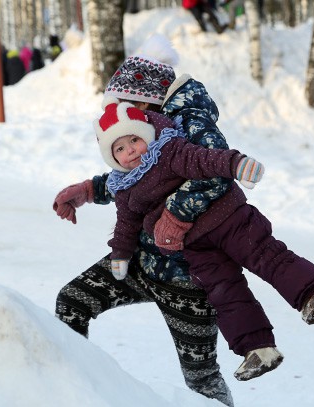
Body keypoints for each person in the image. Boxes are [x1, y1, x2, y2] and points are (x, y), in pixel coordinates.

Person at [93, 98, 314, 380]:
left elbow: (204, 160)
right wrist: (120, 253)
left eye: (134, 139)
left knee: (266, 257)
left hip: (227, 216)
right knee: (223, 292)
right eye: (120, 149)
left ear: (146, 134)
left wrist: (236, 164)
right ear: (112, 157)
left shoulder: (169, 150)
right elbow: (126, 224)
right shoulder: (125, 188)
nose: (130, 151)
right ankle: (258, 349)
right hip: (195, 246)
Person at [54, 35, 236, 406]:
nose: (120, 116)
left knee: (203, 382)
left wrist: (176, 215)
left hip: (188, 278)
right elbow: (138, 178)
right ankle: (76, 395)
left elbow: (219, 172)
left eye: (123, 106)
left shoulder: (191, 120)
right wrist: (89, 189)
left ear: (144, 101)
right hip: (141, 262)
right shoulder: (150, 126)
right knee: (71, 303)